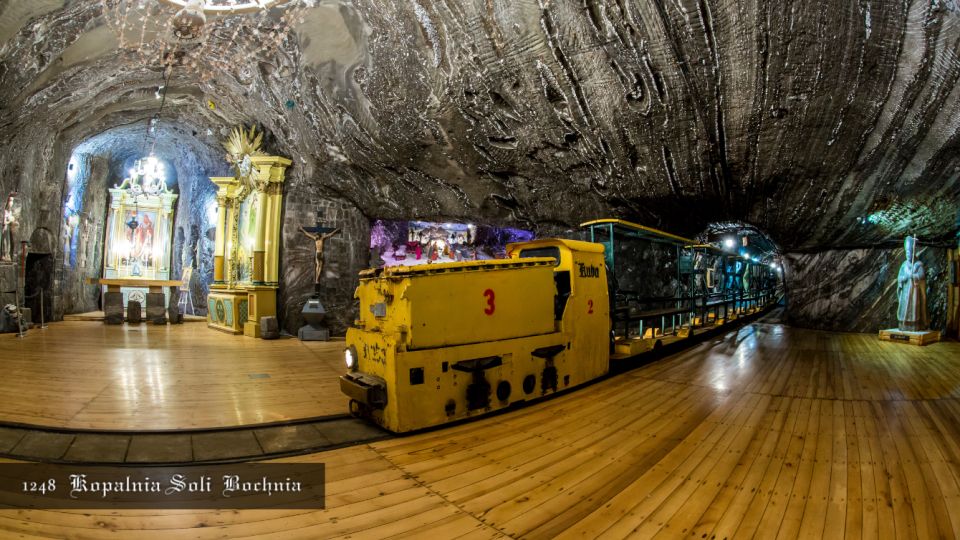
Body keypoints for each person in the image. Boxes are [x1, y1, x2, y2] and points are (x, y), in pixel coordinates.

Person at [897, 235, 928, 331]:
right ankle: (903, 324)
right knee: (904, 309)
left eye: (910, 253)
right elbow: (899, 277)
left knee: (914, 309)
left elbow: (922, 275)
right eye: (907, 253)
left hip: (914, 292)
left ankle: (914, 325)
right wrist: (903, 278)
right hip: (905, 293)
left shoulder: (918, 264)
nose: (908, 255)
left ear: (913, 253)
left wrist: (914, 276)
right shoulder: (904, 265)